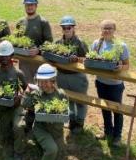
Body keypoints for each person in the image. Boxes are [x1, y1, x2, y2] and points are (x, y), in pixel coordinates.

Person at [22, 64, 65, 160]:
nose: (44, 85)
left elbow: (66, 111)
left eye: (47, 81)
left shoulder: (61, 94)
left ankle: (41, 148)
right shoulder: (37, 94)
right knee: (52, 150)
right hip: (41, 129)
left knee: (58, 159)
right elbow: (24, 104)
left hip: (56, 131)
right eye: (41, 82)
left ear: (53, 81)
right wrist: (27, 94)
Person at [91, 19, 129, 147]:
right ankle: (107, 132)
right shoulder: (97, 44)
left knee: (117, 110)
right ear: (101, 30)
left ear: (114, 30)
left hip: (115, 85)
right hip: (100, 82)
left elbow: (127, 65)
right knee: (105, 108)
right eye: (104, 28)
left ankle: (117, 136)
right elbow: (92, 59)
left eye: (109, 28)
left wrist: (120, 68)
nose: (107, 30)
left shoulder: (121, 46)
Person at [0, 40, 27, 160]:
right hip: (3, 107)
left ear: (12, 56)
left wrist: (20, 97)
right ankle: (11, 133)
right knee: (5, 136)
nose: (4, 58)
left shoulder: (18, 73)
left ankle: (18, 152)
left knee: (18, 127)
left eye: (7, 55)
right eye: (1, 55)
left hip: (16, 106)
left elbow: (26, 90)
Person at [55, 15, 89, 134]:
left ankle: (80, 123)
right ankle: (72, 120)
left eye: (69, 28)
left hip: (77, 76)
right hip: (61, 75)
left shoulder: (80, 43)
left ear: (73, 28)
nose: (66, 30)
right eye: (64, 28)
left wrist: (78, 59)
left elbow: (88, 59)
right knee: (67, 99)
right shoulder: (58, 42)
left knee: (81, 101)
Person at [15, 0, 53, 82]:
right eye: (27, 5)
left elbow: (49, 42)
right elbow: (16, 40)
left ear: (36, 6)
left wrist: (38, 50)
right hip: (23, 61)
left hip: (38, 61)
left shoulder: (43, 22)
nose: (29, 7)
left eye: (31, 5)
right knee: (26, 86)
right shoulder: (20, 22)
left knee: (39, 87)